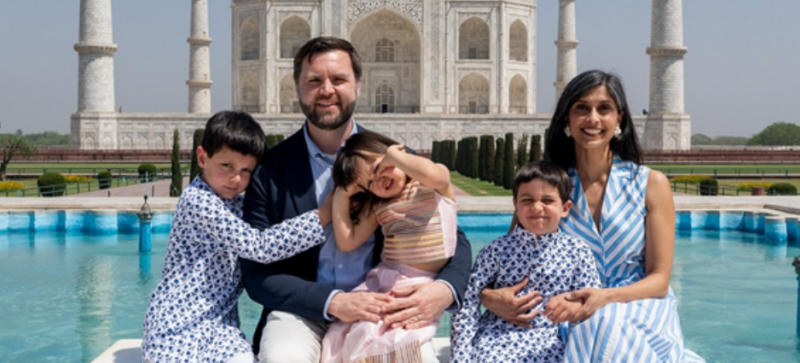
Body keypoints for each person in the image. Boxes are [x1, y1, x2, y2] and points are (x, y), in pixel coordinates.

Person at [241, 36, 472, 363]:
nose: (326, 89)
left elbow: (450, 231)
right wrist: (332, 301)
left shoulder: (393, 159)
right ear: (297, 87)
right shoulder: (271, 169)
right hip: (301, 310)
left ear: (359, 85)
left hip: (382, 304)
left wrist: (444, 290)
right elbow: (255, 272)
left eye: (338, 79)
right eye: (314, 80)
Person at [480, 70, 704, 362]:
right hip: (566, 311)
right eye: (582, 108)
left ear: (619, 119)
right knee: (594, 326)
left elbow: (659, 280)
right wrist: (489, 297)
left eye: (604, 109)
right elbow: (510, 258)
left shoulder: (649, 184)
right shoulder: (548, 189)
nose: (593, 119)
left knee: (602, 322)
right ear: (566, 120)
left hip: (639, 305)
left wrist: (604, 298)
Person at [142, 111, 333, 363]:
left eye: (246, 171)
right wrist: (323, 214)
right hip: (178, 323)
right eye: (227, 166)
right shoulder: (198, 201)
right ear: (202, 157)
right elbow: (259, 246)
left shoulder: (235, 204)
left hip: (221, 326)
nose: (236, 179)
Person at [321, 131, 458, 362]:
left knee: (404, 340)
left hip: (419, 285)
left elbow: (431, 173)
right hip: (385, 281)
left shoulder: (432, 186)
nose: (379, 181)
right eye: (369, 184)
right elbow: (347, 241)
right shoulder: (379, 206)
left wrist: (395, 156)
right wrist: (342, 196)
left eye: (378, 168)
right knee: (353, 332)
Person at [450, 160, 600, 363]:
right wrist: (461, 357)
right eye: (527, 200)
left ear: (565, 208)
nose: (537, 207)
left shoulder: (578, 252)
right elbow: (468, 305)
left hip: (554, 339)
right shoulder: (496, 251)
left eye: (547, 201)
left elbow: (591, 303)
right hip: (498, 338)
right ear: (516, 206)